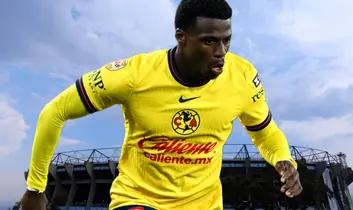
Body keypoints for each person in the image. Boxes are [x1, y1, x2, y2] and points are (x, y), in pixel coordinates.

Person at [21, 0, 303, 209]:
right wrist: (35, 189)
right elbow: (53, 113)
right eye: (209, 41)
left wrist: (283, 159)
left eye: (226, 41)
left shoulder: (243, 76)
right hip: (138, 199)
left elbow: (265, 131)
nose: (221, 52)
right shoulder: (134, 75)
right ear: (181, 36)